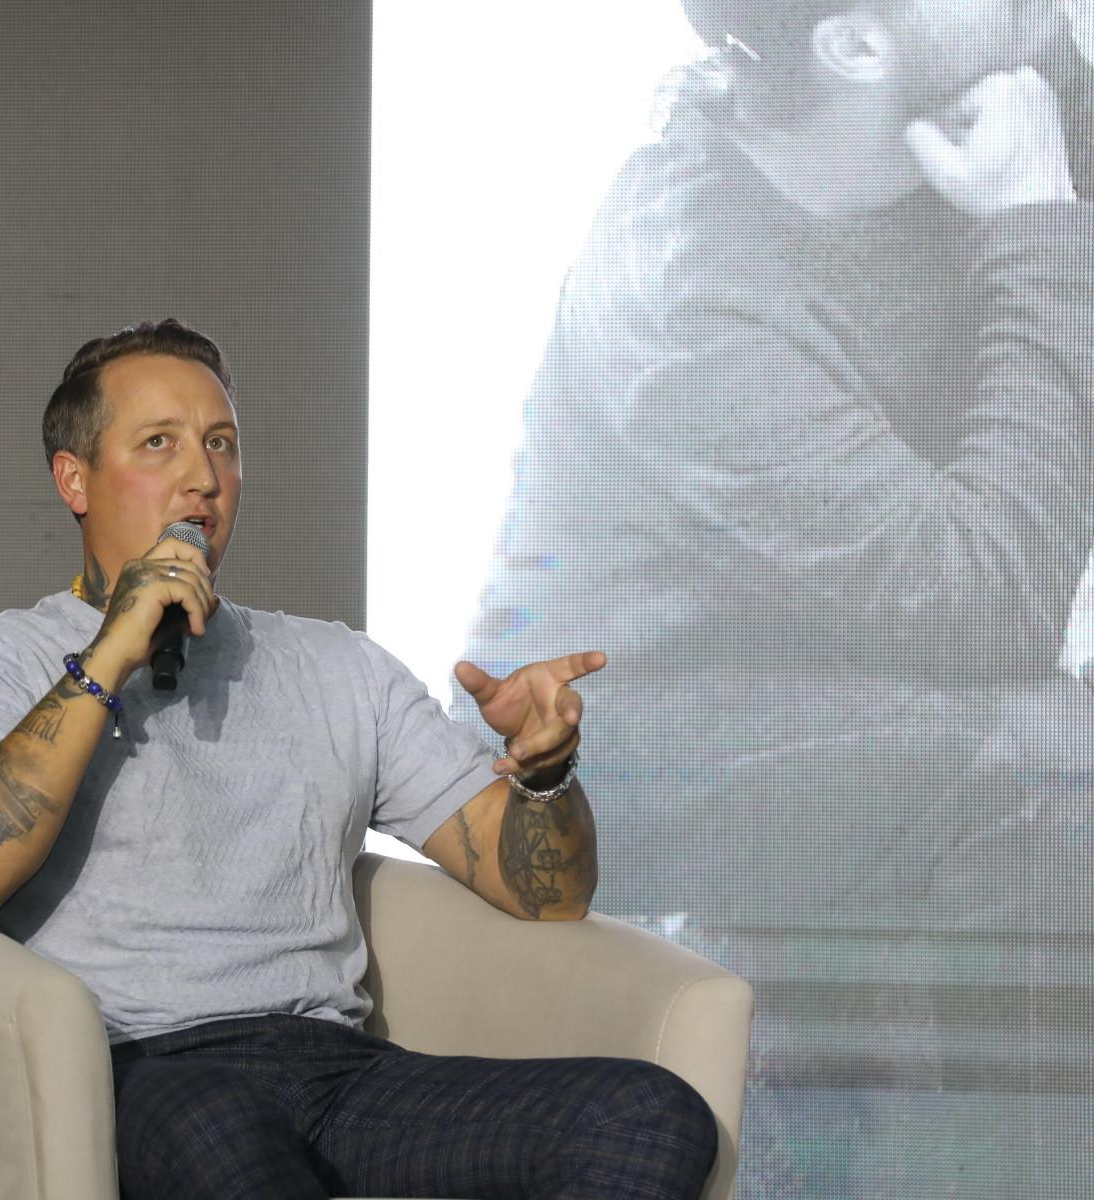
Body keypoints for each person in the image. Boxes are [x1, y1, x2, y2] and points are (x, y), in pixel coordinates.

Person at [0, 320, 717, 1199]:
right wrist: (108, 658)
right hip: (140, 1071)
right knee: (220, 1126)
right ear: (74, 479)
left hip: (333, 1073)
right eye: (159, 443)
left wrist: (544, 776)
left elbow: (546, 896)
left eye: (221, 444)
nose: (202, 477)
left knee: (650, 1113)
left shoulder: (338, 668)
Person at [454, 0, 1094, 933]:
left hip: (838, 648)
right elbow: (991, 605)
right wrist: (1035, 223)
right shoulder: (694, 314)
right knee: (1070, 765)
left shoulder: (975, 91)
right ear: (857, 45)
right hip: (619, 752)